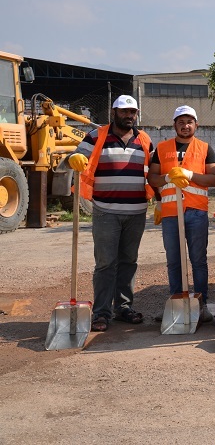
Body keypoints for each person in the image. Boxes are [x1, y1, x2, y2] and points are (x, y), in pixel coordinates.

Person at [67, 95, 153, 332]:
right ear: (114, 112)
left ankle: (123, 308)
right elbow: (75, 158)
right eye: (124, 111)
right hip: (106, 212)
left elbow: (154, 171)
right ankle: (102, 313)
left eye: (133, 112)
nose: (129, 116)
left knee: (129, 262)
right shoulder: (97, 136)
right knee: (105, 264)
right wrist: (74, 158)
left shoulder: (144, 139)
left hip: (136, 212)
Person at [147, 105, 215, 323]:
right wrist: (168, 178)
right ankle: (176, 305)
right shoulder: (162, 148)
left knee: (198, 260)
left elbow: (213, 179)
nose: (185, 126)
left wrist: (189, 174)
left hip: (196, 212)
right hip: (170, 213)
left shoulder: (205, 148)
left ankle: (202, 305)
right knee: (174, 260)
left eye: (189, 122)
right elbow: (152, 178)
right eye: (181, 122)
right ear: (174, 125)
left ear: (196, 125)